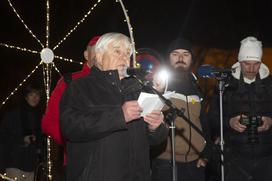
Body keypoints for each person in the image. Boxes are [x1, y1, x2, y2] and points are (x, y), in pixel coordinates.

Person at [59, 32, 168, 181]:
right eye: (117, 51)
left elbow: (153, 142)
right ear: (99, 56)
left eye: (128, 53)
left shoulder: (138, 90)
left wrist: (155, 128)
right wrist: (119, 116)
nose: (124, 57)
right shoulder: (80, 87)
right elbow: (70, 127)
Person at [208, 36, 272, 181]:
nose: (251, 69)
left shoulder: (270, 84)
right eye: (247, 64)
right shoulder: (225, 86)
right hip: (235, 160)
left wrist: (270, 121)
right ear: (239, 62)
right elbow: (212, 119)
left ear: (261, 63)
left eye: (256, 64)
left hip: (267, 159)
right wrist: (229, 123)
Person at [151, 38, 210, 181]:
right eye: (175, 54)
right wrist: (155, 93)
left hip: (194, 165)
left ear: (191, 59)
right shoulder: (160, 84)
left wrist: (206, 156)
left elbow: (204, 123)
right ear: (168, 58)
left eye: (186, 54)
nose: (181, 58)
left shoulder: (196, 87)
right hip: (166, 165)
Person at [41, 36, 100, 169]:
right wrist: (73, 144)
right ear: (86, 54)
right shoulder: (70, 81)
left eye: (103, 50)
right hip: (80, 162)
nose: (99, 55)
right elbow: (49, 122)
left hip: (113, 163)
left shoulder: (118, 83)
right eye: (95, 50)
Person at [0, 84, 43, 181]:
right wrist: (22, 140)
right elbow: (3, 137)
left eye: (37, 95)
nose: (35, 98)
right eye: (32, 94)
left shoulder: (39, 116)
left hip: (30, 165)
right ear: (26, 96)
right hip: (14, 162)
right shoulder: (13, 115)